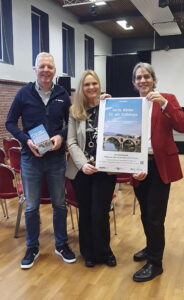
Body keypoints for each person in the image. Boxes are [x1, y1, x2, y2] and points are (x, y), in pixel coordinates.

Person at [5, 52, 76, 269]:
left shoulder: (63, 93)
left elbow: (71, 122)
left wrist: (60, 136)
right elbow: (10, 123)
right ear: (35, 69)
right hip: (30, 159)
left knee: (59, 204)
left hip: (56, 159)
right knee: (31, 206)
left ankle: (61, 244)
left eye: (50, 67)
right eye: (42, 66)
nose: (46, 70)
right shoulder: (23, 93)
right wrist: (26, 141)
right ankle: (32, 246)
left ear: (54, 71)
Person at [131, 62, 184, 282]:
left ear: (154, 79)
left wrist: (165, 104)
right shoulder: (133, 104)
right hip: (138, 165)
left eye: (146, 76)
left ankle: (156, 264)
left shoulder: (168, 98)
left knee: (155, 217)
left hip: (159, 165)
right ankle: (151, 247)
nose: (143, 80)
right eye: (138, 78)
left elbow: (183, 126)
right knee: (146, 213)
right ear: (134, 82)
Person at [65, 70, 117, 268]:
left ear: (99, 85)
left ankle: (105, 252)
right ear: (81, 88)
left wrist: (112, 106)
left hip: (105, 170)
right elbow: (70, 141)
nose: (91, 87)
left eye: (94, 83)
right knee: (86, 211)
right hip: (82, 171)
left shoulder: (109, 107)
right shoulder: (75, 111)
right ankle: (87, 252)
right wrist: (82, 163)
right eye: (87, 84)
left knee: (101, 211)